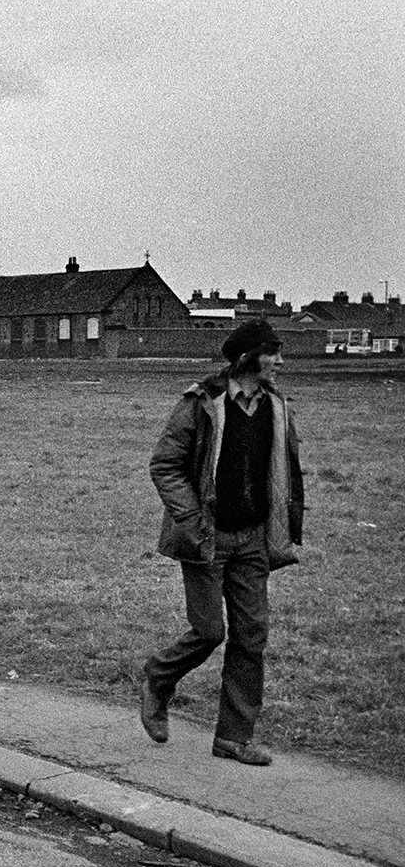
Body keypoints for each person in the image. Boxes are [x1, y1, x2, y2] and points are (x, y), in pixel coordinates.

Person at [139, 318, 305, 766]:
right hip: (207, 538)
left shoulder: (276, 405)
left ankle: (234, 737)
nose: (280, 362)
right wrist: (192, 521)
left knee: (252, 636)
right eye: (273, 353)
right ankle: (159, 677)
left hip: (253, 538)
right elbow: (165, 465)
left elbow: (285, 469)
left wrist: (283, 526)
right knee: (210, 631)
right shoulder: (202, 403)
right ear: (249, 357)